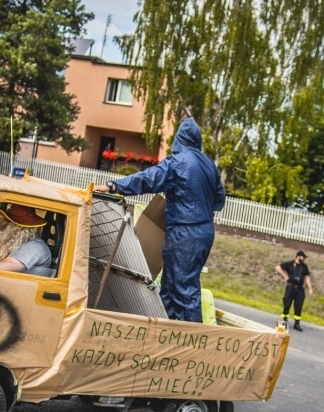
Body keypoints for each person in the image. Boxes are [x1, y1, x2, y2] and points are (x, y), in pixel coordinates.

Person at [94, 117, 226, 322]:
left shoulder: (178, 162)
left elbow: (147, 179)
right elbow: (219, 201)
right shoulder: (210, 166)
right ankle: (163, 331)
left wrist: (114, 186)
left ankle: (193, 342)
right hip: (203, 233)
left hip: (184, 232)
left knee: (183, 289)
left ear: (179, 140)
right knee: (171, 286)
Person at [0, 204, 52, 275]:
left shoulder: (35, 247)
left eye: (9, 221)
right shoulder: (12, 241)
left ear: (22, 227)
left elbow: (3, 267)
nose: (3, 223)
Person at [275, 251, 313, 331]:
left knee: (298, 306)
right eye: (303, 257)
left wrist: (310, 288)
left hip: (299, 289)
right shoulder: (290, 264)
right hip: (290, 287)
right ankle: (284, 321)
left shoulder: (304, 266)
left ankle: (297, 324)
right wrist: (285, 276)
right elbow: (278, 267)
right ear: (298, 256)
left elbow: (307, 277)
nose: (304, 259)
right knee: (287, 304)